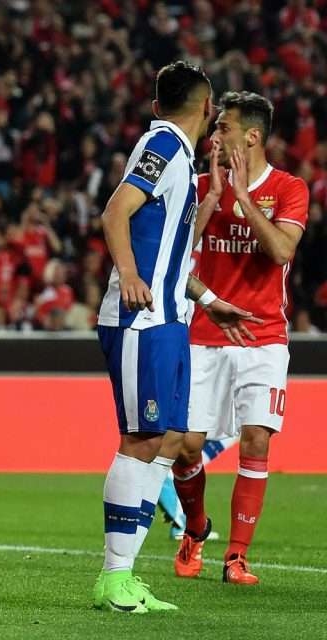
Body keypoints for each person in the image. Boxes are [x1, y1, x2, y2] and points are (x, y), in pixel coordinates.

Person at [91, 61, 256, 614]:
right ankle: (115, 579)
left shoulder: (181, 158)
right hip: (142, 318)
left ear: (161, 102)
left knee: (164, 441)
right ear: (207, 109)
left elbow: (170, 254)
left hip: (169, 318)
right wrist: (130, 274)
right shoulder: (160, 145)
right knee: (140, 440)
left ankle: (126, 575)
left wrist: (209, 300)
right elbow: (116, 213)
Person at [168, 91, 308, 586]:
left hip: (264, 336)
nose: (213, 135)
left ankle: (237, 556)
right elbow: (172, 263)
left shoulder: (290, 189)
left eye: (222, 128)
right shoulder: (199, 185)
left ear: (251, 136)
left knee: (256, 441)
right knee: (186, 447)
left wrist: (244, 198)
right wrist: (213, 199)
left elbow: (280, 251)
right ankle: (197, 527)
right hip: (202, 334)